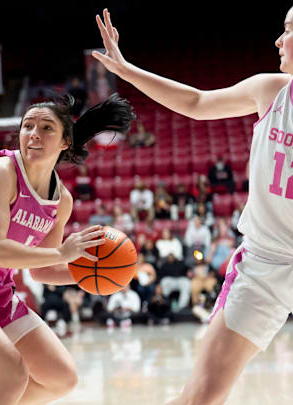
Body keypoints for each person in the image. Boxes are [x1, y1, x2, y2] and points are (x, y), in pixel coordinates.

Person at [94, 8, 293, 403]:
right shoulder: (272, 90)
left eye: (288, 30)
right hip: (266, 265)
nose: (278, 40)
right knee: (200, 398)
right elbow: (198, 102)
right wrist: (128, 71)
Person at [0, 94, 134, 405]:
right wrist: (63, 253)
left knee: (61, 378)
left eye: (46, 128)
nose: (34, 134)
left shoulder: (62, 201)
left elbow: (42, 271)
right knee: (11, 376)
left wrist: (94, 273)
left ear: (65, 142)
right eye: (27, 126)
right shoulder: (1, 172)